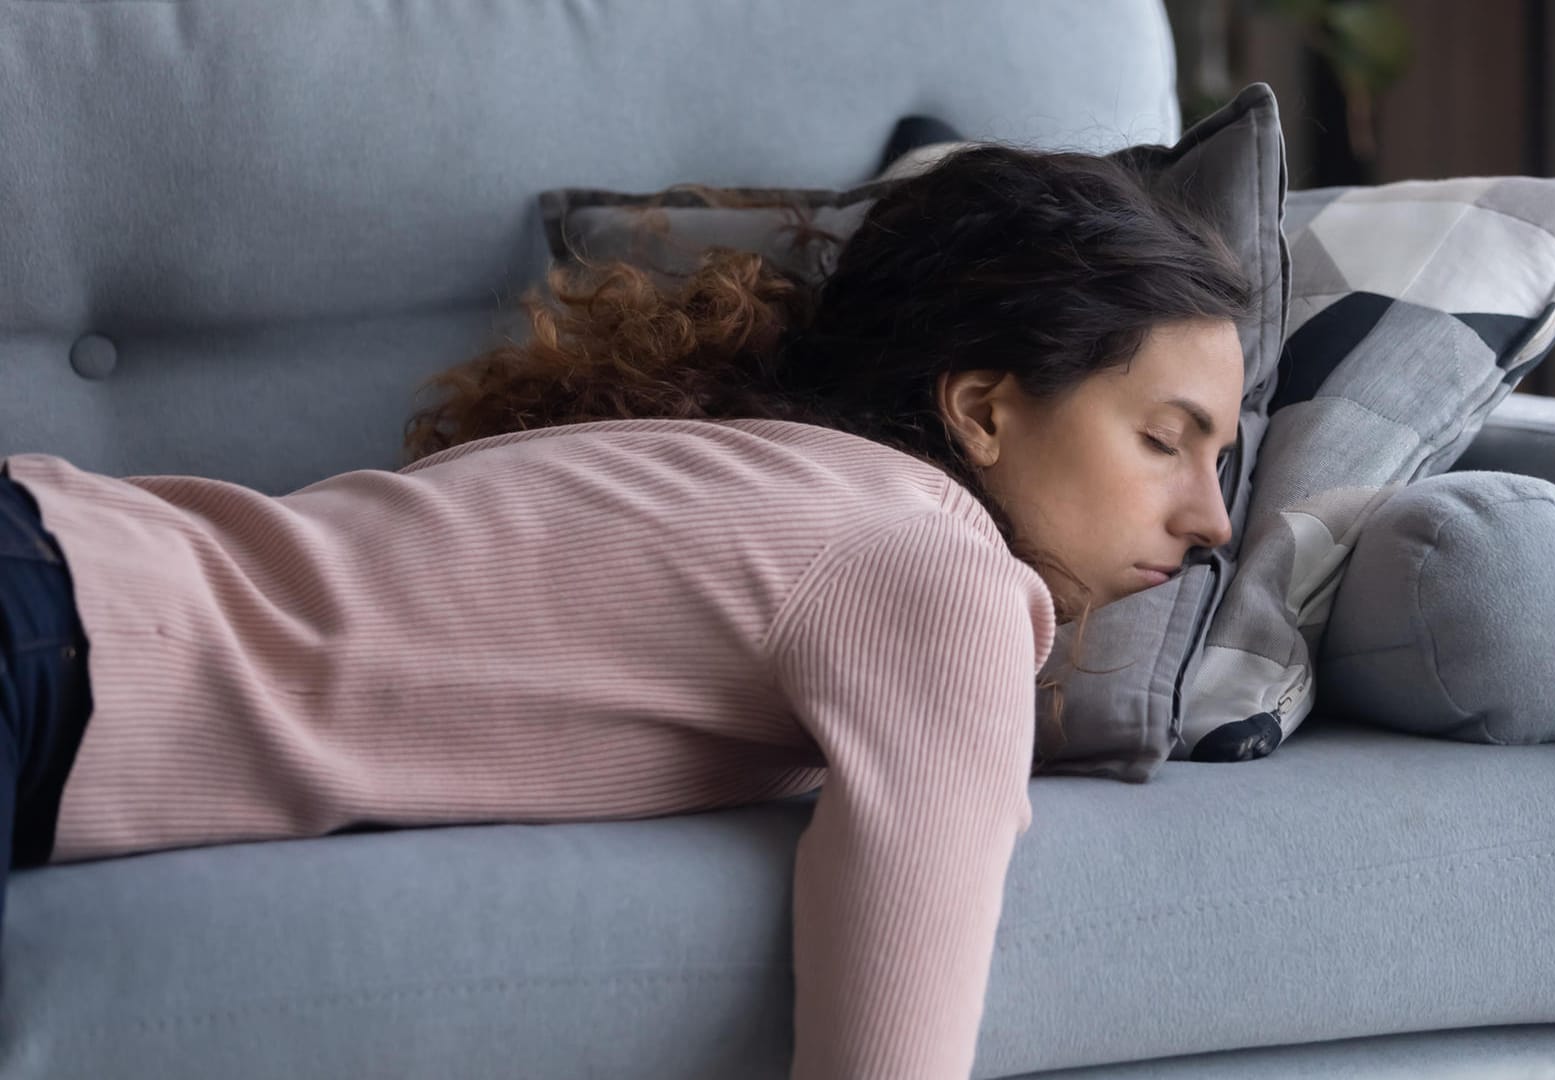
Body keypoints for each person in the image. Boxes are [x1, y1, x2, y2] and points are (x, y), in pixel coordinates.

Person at [0, 143, 1253, 1079]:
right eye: (1164, 442)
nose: (1214, 523)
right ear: (982, 408)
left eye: (1222, 461)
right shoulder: (937, 570)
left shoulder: (758, 471)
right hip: (46, 632)